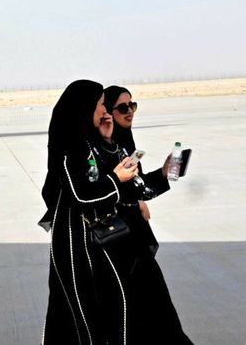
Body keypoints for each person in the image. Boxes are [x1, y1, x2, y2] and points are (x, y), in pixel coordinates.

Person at [39, 80, 139, 345]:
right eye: (100, 105)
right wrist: (116, 179)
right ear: (85, 109)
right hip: (74, 244)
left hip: (95, 241)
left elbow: (102, 175)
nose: (103, 111)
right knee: (84, 317)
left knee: (113, 306)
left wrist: (107, 138)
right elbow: (82, 194)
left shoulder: (87, 142)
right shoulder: (69, 148)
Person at [102, 85, 192, 344]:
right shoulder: (106, 146)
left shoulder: (122, 141)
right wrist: (140, 196)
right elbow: (124, 191)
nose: (130, 111)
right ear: (108, 111)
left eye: (133, 105)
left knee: (154, 309)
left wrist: (164, 174)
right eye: (122, 107)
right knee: (148, 309)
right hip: (120, 244)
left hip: (132, 239)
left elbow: (137, 188)